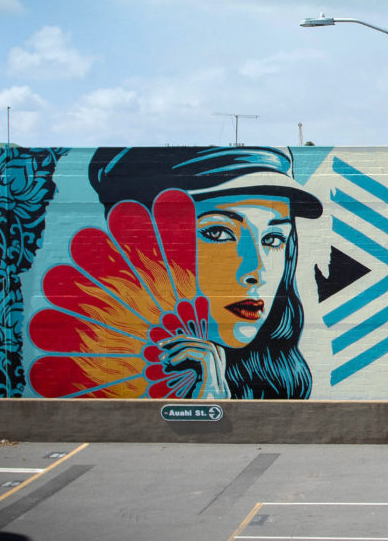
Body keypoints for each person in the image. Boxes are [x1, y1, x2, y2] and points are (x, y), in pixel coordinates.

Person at [87, 147, 321, 399]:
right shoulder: (103, 368)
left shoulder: (277, 379)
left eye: (274, 239)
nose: (257, 271)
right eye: (218, 233)